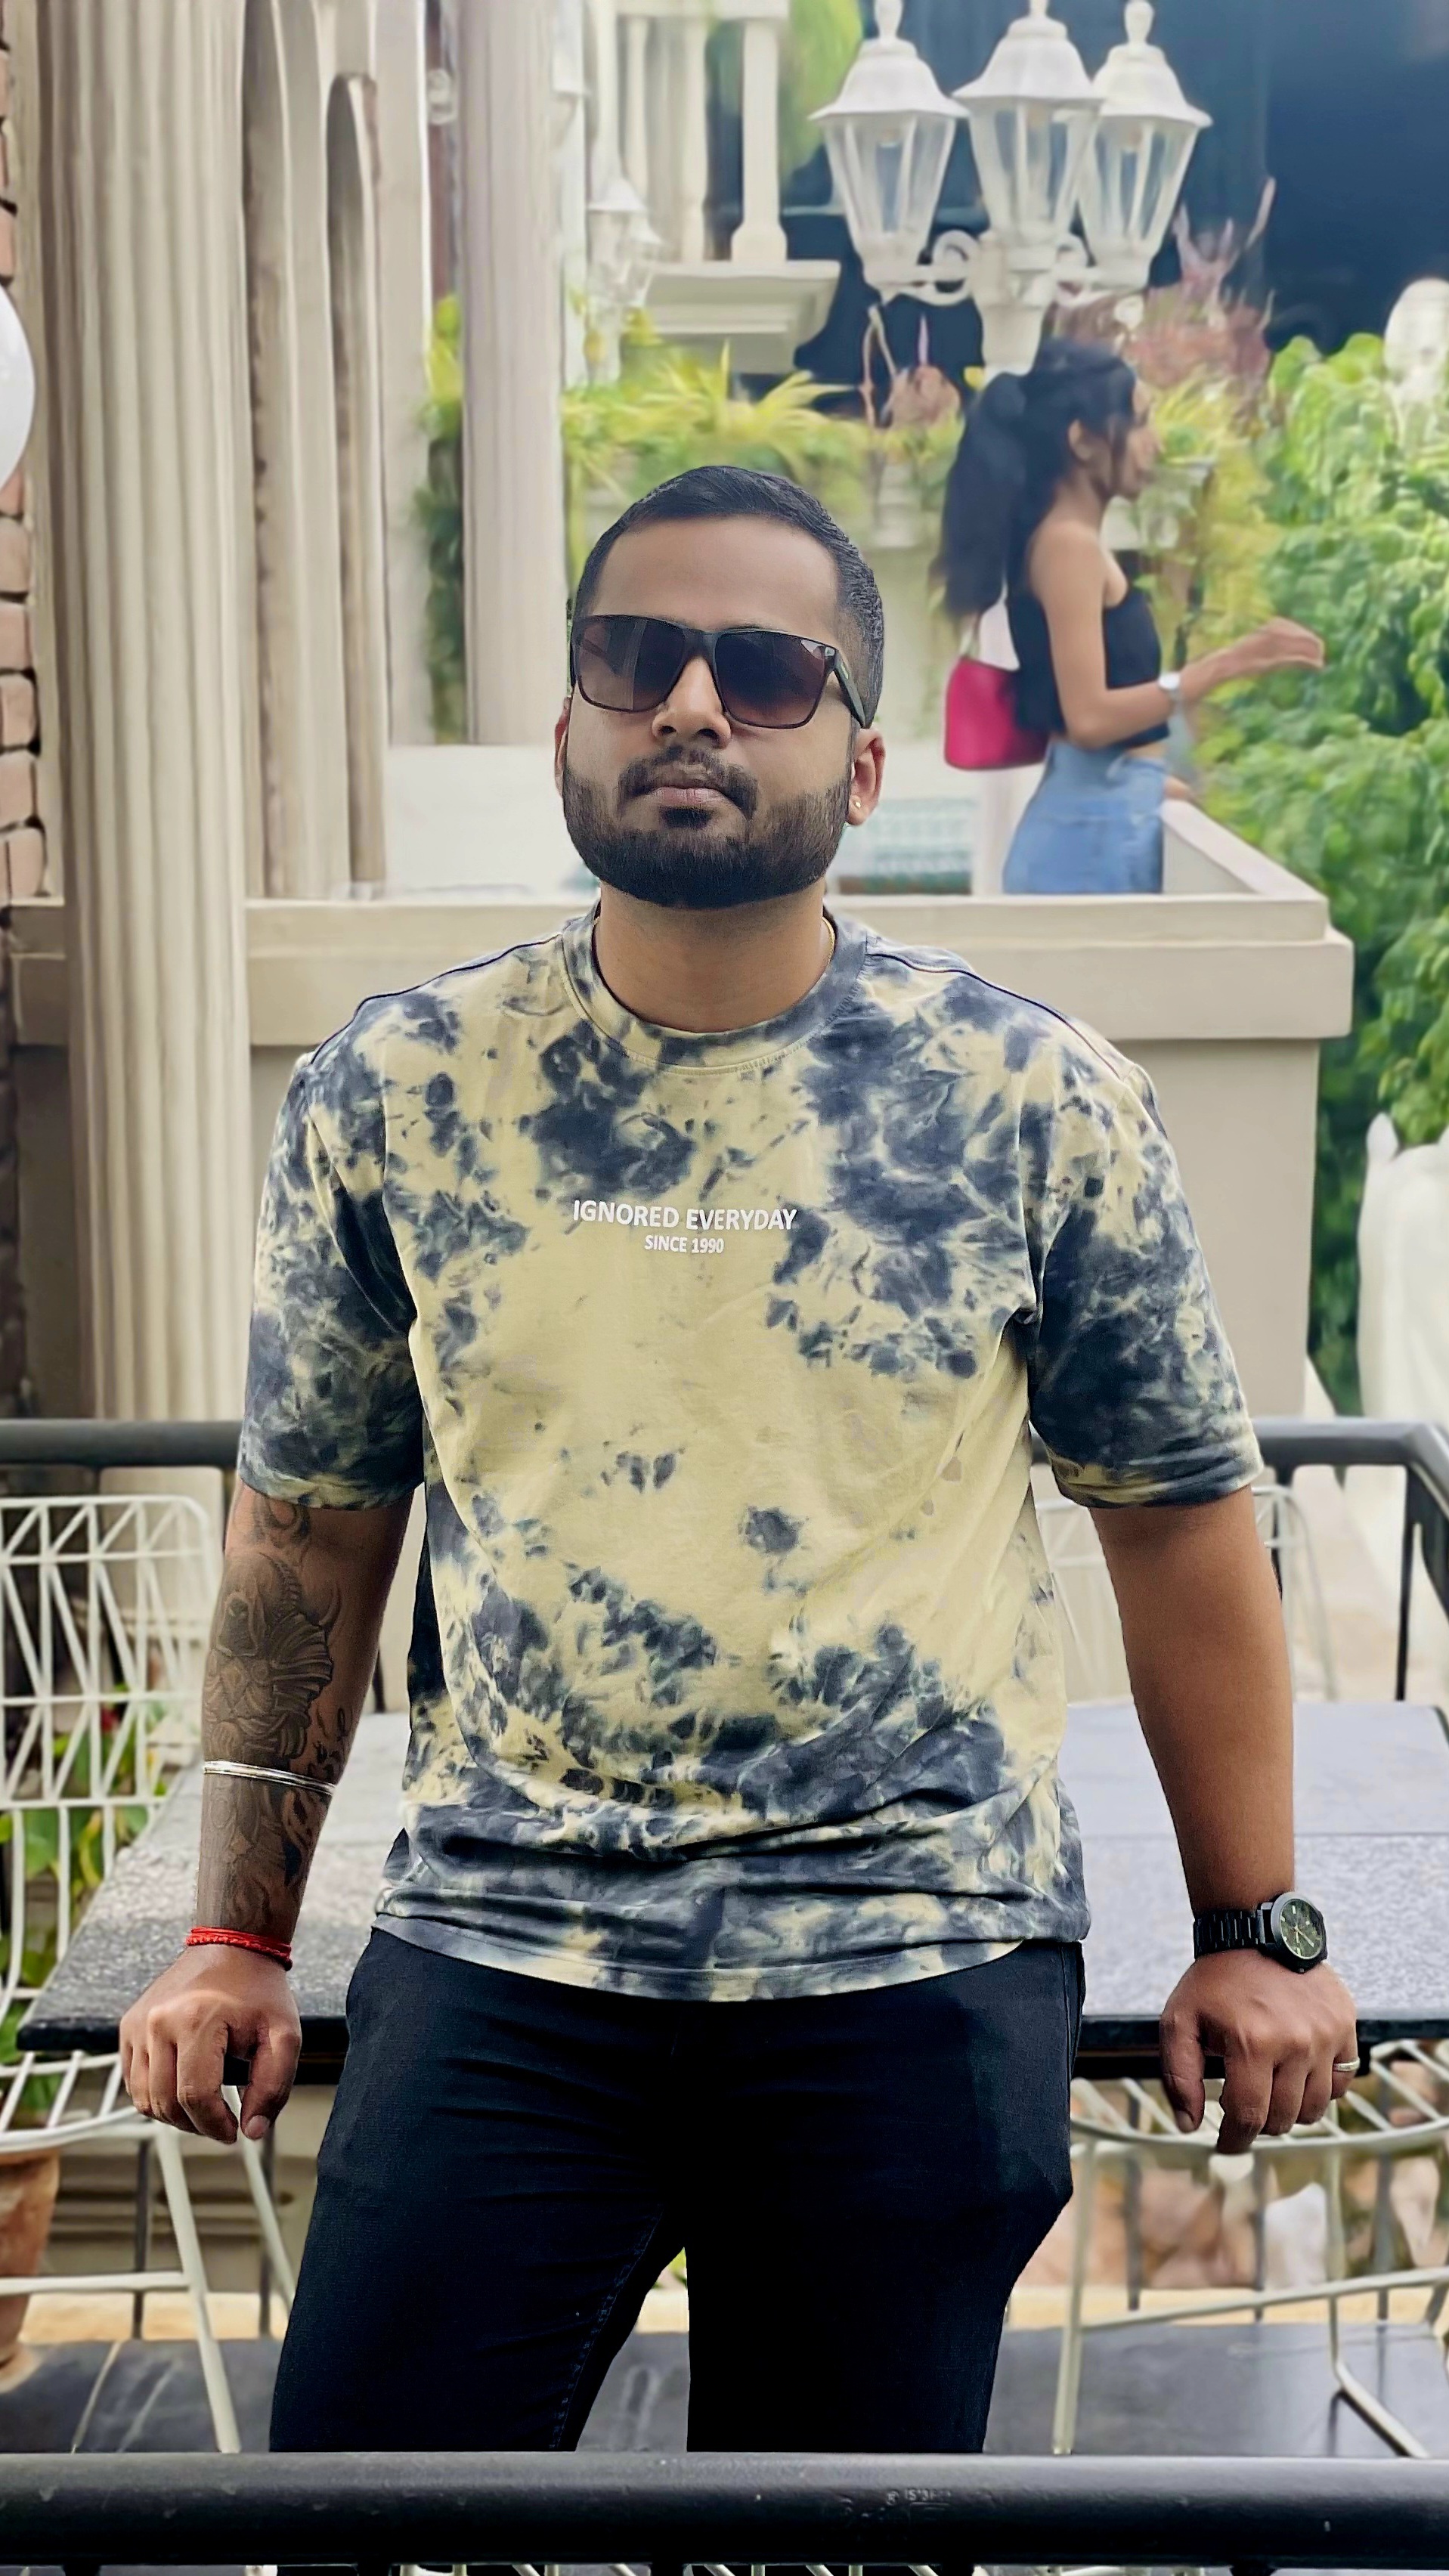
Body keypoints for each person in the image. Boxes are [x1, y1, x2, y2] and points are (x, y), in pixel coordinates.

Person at [120, 463, 1357, 2459]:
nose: (692, 704)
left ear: (860, 766)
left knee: (840, 2551)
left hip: (910, 1948)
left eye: (764, 672)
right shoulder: (396, 1093)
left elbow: (1179, 1522)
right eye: (636, 657)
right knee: (365, 2509)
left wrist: (1250, 1927)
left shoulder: (1030, 1100)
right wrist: (233, 1936)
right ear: (569, 726)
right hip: (506, 1936)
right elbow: (310, 1534)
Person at [937, 337, 1325, 894]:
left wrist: (1147, 784)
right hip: (1087, 844)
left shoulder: (1067, 544)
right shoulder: (1067, 547)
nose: (1155, 443)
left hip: (1102, 820)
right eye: (1140, 422)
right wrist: (1230, 664)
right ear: (1083, 441)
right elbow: (1089, 718)